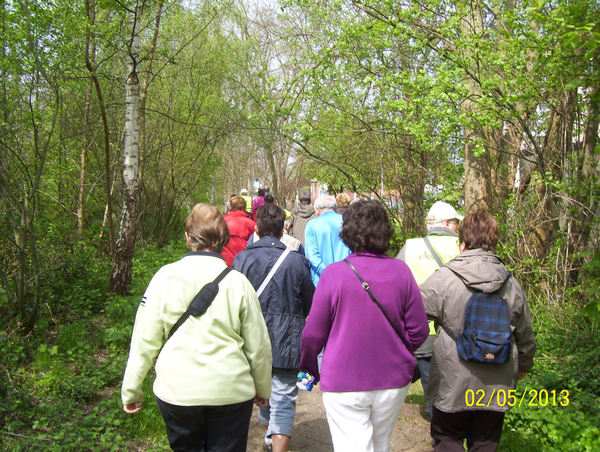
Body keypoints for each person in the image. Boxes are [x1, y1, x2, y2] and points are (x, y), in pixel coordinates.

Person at [121, 203, 272, 452]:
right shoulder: (239, 283)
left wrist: (131, 389)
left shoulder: (164, 278)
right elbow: (259, 344)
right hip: (231, 393)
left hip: (178, 392)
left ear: (187, 237)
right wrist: (263, 387)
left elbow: (143, 340)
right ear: (223, 239)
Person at [300, 199, 429, 452]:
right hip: (392, 380)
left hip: (343, 381)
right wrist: (396, 351)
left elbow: (312, 335)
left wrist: (308, 367)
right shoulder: (401, 272)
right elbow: (420, 330)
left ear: (348, 233)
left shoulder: (334, 275)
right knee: (380, 445)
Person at [420, 212, 536, 452]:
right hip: (498, 379)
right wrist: (525, 363)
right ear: (493, 243)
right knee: (485, 442)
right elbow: (524, 332)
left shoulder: (444, 279)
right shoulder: (511, 283)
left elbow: (413, 315)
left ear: (462, 242)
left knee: (447, 438)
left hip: (452, 377)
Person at [233, 204, 315, 452]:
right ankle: (275, 440)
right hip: (287, 341)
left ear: (256, 229)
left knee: (255, 391)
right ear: (283, 231)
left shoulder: (241, 260)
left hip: (250, 340)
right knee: (284, 397)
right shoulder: (298, 262)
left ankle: (267, 429)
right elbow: (309, 303)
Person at [396, 201, 463, 417]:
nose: (457, 227)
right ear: (446, 223)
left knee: (431, 384)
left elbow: (396, 286)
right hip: (459, 330)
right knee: (459, 382)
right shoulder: (464, 246)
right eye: (455, 222)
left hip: (424, 330)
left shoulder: (410, 247)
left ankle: (440, 431)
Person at [304, 195, 350, 287]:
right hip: (346, 278)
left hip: (321, 282)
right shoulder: (347, 223)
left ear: (317, 210)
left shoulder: (311, 225)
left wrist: (328, 274)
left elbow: (312, 257)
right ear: (335, 209)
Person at [222, 196, 256, 267]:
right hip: (243, 264)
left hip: (223, 264)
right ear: (243, 208)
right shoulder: (250, 223)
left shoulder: (221, 222)